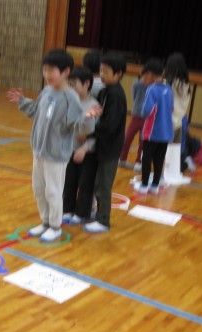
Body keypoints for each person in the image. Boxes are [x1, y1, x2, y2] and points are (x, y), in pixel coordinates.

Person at [7, 49, 99, 243]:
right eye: (45, 70)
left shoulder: (70, 97)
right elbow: (36, 112)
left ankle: (55, 227)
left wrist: (88, 118)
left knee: (53, 191)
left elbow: (78, 125)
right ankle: (46, 221)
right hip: (39, 151)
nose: (47, 74)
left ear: (65, 72)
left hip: (56, 154)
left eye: (51, 70)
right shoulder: (46, 91)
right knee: (39, 189)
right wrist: (23, 102)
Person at [84, 51, 127, 234]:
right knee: (97, 183)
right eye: (101, 70)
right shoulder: (105, 91)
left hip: (110, 148)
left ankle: (103, 220)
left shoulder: (116, 95)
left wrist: (90, 131)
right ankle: (97, 214)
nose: (101, 75)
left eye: (106, 71)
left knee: (103, 185)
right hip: (102, 145)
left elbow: (109, 124)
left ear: (118, 74)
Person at [62, 66, 99, 226]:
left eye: (74, 84)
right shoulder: (70, 102)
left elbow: (98, 134)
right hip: (70, 150)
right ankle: (68, 210)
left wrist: (86, 147)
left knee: (85, 184)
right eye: (69, 84)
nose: (71, 88)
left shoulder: (93, 105)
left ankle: (82, 212)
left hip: (87, 153)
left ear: (86, 84)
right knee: (69, 182)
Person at [133, 58, 173, 195]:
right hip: (166, 133)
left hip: (152, 133)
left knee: (146, 159)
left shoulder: (151, 90)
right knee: (159, 159)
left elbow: (146, 110)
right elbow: (172, 109)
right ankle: (155, 185)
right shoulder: (169, 89)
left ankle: (144, 185)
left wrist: (143, 113)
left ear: (149, 74)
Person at [119, 60, 159, 170]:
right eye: (146, 75)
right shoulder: (137, 84)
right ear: (142, 74)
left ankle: (139, 161)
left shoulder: (154, 87)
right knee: (127, 137)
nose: (148, 78)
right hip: (136, 116)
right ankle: (122, 158)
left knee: (143, 142)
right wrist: (138, 108)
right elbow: (135, 97)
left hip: (147, 118)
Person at [164, 52, 192, 172]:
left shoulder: (169, 83)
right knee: (177, 147)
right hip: (180, 119)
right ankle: (178, 166)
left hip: (169, 119)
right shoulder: (185, 84)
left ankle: (169, 167)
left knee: (165, 146)